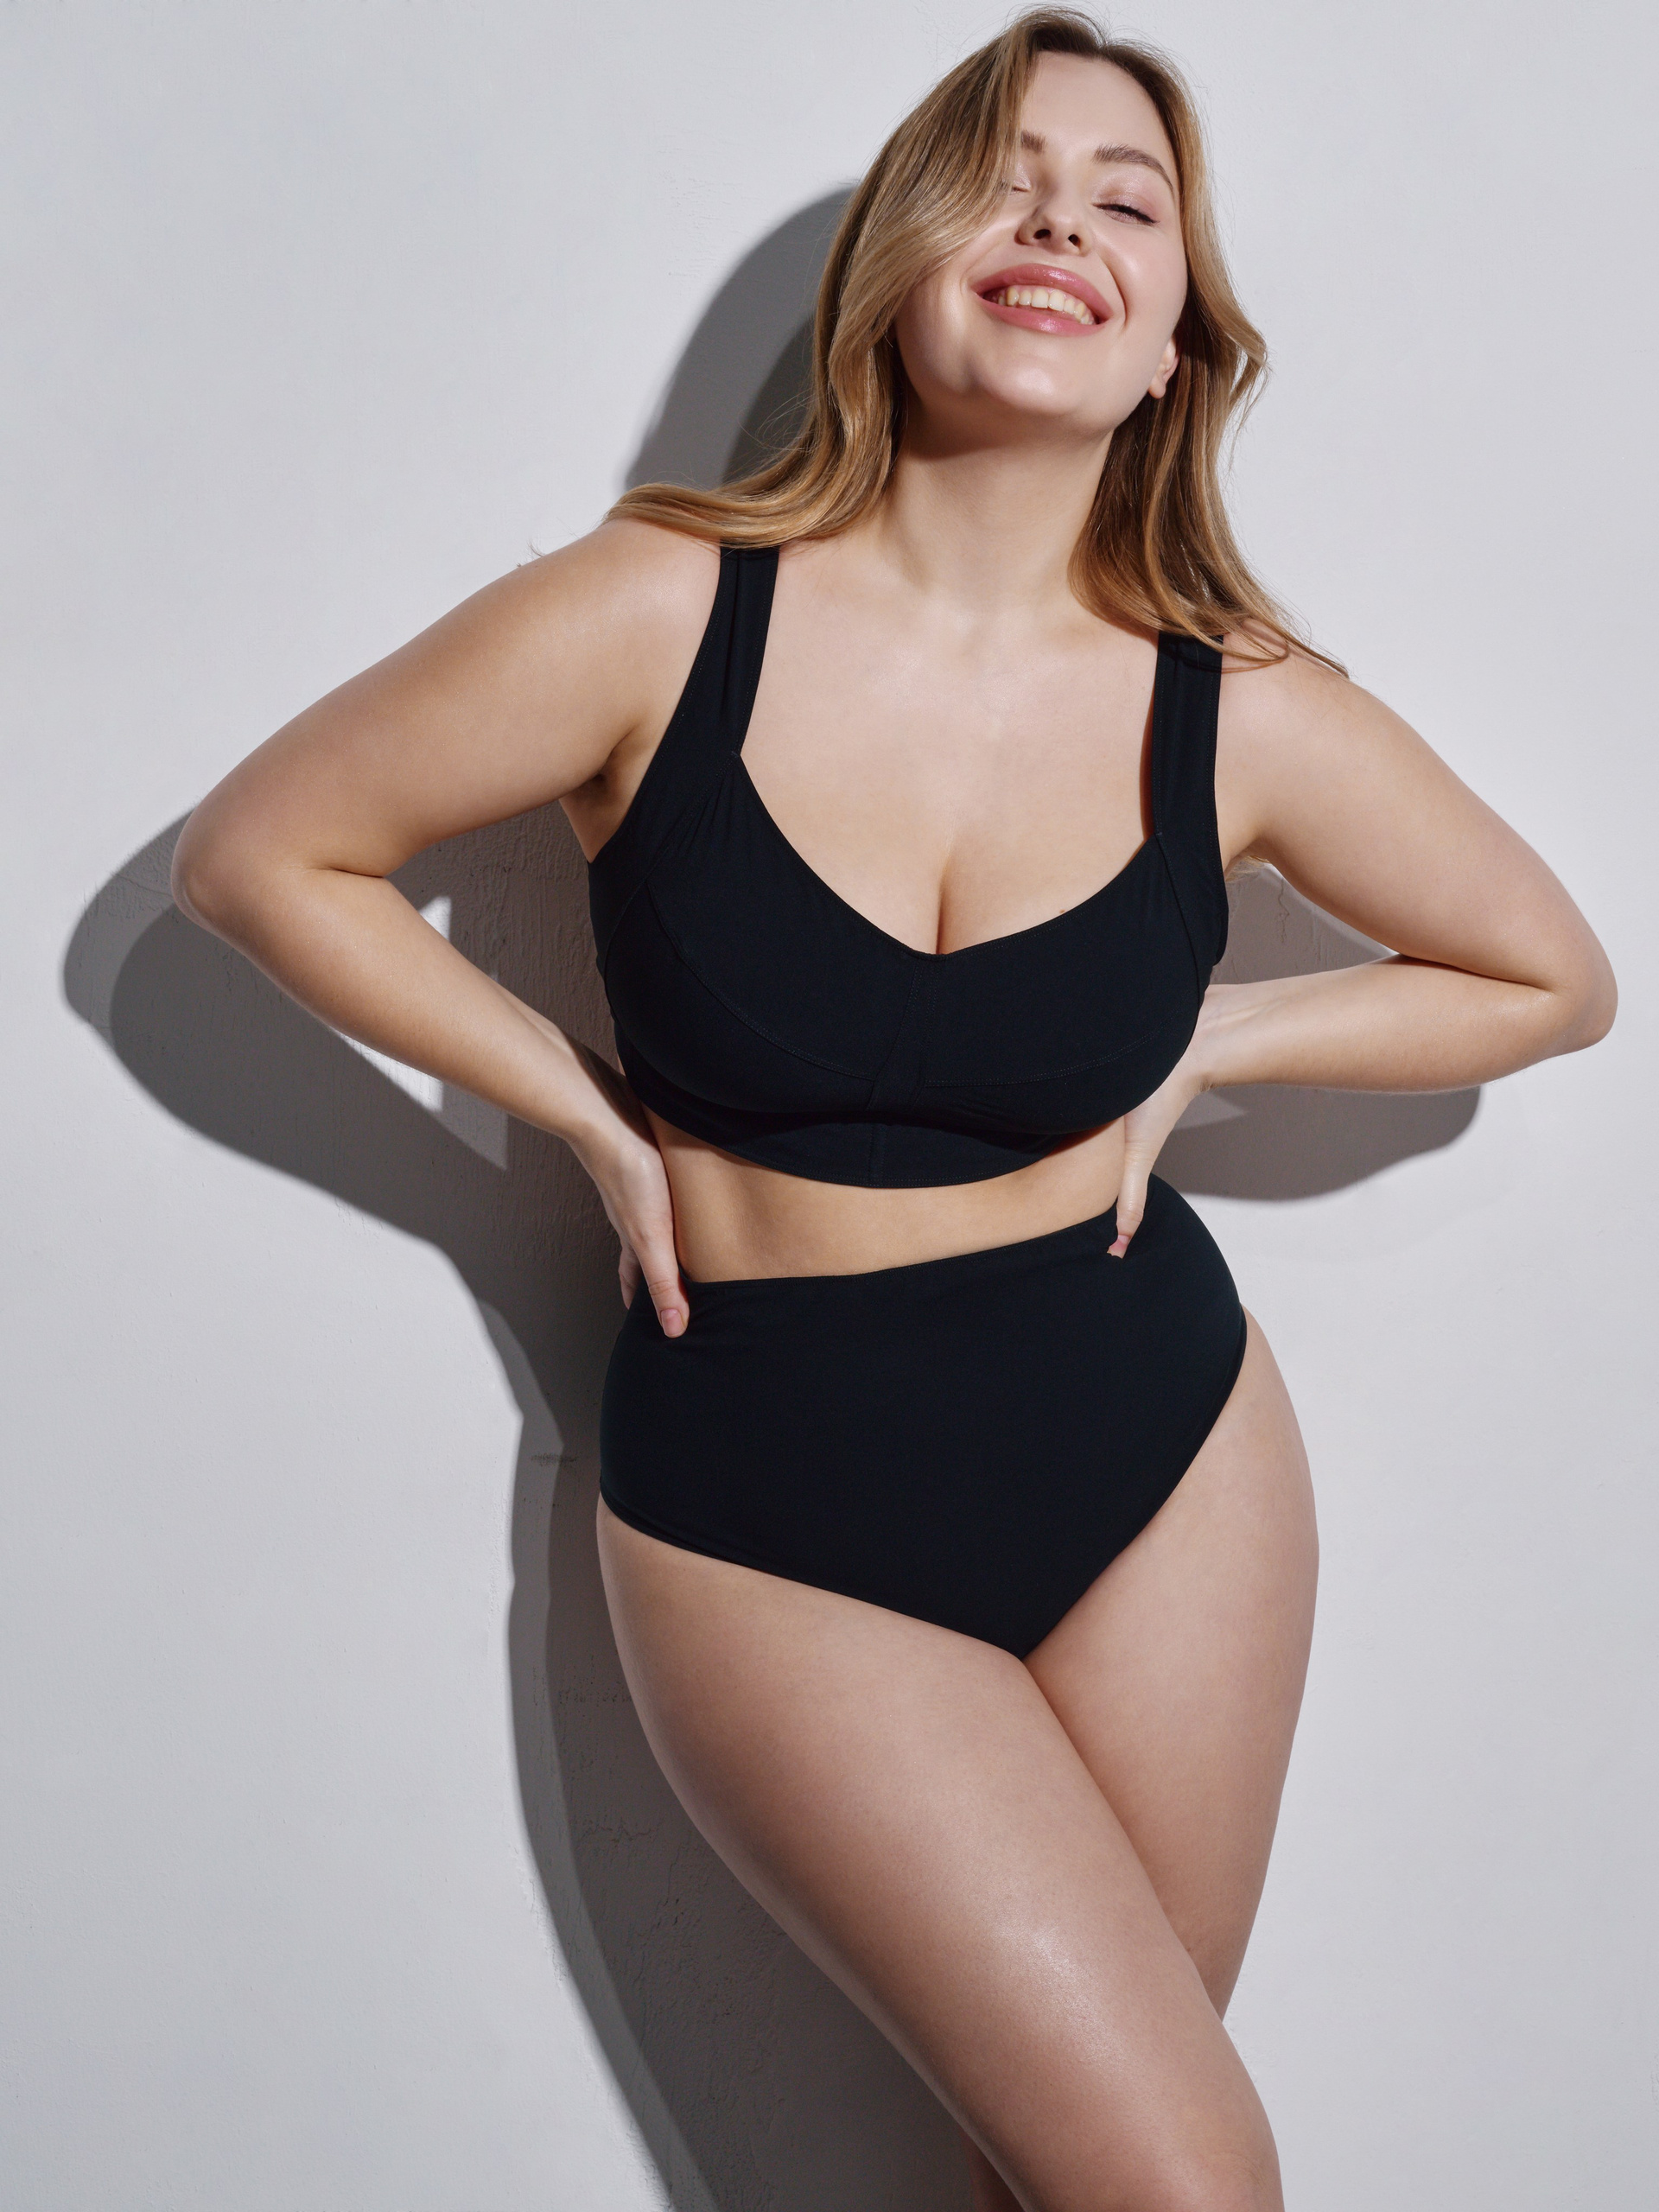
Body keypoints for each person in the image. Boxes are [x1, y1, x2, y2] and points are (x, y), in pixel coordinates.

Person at [169, 10, 1616, 2207]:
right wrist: (578, 1111)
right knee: (1179, 2179)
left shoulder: (1235, 702)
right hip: (769, 1493)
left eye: (1126, 201)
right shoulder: (659, 610)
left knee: (1054, 2175)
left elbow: (1552, 976)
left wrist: (1219, 1042)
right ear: (900, 268)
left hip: (1163, 1453)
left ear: (1171, 347)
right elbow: (262, 851)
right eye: (1004, 178)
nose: (1061, 222)